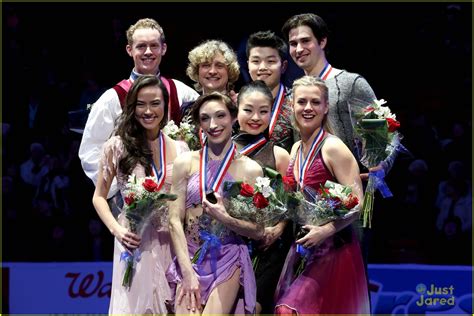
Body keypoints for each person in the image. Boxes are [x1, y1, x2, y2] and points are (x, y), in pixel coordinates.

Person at [92, 75, 189, 314]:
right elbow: (99, 197)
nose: (148, 111)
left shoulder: (181, 148)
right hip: (134, 240)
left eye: (155, 103)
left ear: (166, 106)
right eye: (140, 104)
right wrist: (118, 230)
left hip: (171, 239)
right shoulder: (117, 146)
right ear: (131, 107)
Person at [274, 76, 369, 315]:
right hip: (306, 247)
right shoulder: (296, 149)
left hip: (335, 249)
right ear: (291, 106)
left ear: (326, 107)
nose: (308, 108)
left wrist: (325, 230)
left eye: (315, 102)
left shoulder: (333, 147)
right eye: (302, 101)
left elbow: (358, 202)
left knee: (290, 310)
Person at [167, 92, 264, 314]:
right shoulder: (185, 163)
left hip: (228, 257)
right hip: (189, 255)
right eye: (205, 118)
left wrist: (225, 218)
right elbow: (174, 219)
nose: (213, 124)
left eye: (220, 116)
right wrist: (187, 270)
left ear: (233, 118)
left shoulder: (251, 170)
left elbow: (259, 231)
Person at [80, 18, 198, 199]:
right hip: (132, 202)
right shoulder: (112, 98)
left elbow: (206, 129)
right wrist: (120, 190)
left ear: (163, 49)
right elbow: (90, 150)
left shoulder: (181, 91)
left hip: (176, 197)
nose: (148, 52)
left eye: (154, 45)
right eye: (141, 46)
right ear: (130, 50)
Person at [234, 80, 292, 314]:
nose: (255, 117)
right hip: (229, 246)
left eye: (263, 111)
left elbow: (290, 203)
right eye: (248, 110)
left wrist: (278, 229)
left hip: (266, 249)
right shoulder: (222, 149)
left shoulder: (279, 155)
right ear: (236, 109)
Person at [246, 30, 296, 152]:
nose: (262, 67)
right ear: (248, 65)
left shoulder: (297, 102)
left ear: (283, 66)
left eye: (271, 61)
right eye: (256, 61)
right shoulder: (237, 104)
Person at [181, 39, 240, 117]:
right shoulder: (186, 110)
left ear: (229, 71)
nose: (212, 71)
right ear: (197, 71)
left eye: (219, 66)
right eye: (206, 65)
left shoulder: (241, 108)